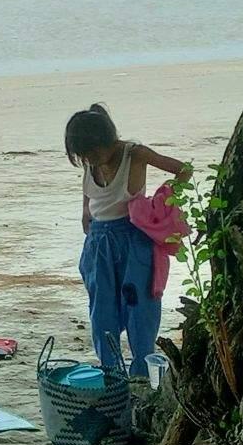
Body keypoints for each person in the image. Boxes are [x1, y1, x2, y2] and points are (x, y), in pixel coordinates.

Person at [66, 103, 190, 377]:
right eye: (84, 156)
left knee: (140, 307)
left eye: (93, 153)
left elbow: (184, 170)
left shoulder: (134, 154)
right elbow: (89, 191)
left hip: (134, 238)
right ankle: (111, 371)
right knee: (102, 310)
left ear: (107, 141)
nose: (90, 159)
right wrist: (85, 210)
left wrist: (162, 202)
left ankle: (142, 373)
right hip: (99, 242)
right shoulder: (90, 161)